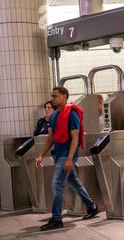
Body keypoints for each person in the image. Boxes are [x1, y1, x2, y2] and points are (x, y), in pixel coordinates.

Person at [36, 87, 99, 231]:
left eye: (55, 96)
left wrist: (70, 159)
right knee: (73, 181)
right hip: (59, 154)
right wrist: (41, 155)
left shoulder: (72, 114)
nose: (52, 99)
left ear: (64, 96)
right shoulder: (53, 116)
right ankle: (92, 206)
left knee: (57, 183)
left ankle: (56, 219)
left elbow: (75, 138)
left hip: (67, 155)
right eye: (51, 96)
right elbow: (50, 138)